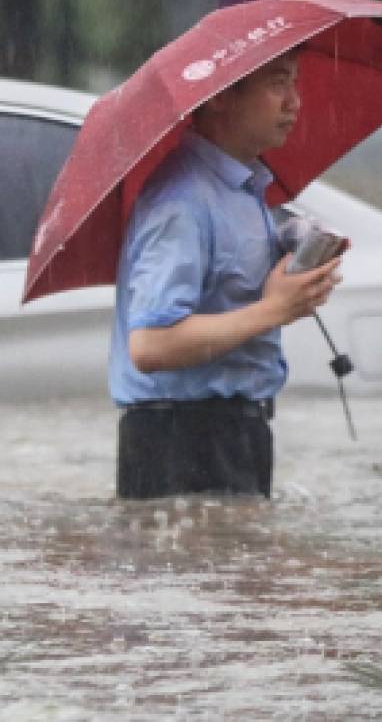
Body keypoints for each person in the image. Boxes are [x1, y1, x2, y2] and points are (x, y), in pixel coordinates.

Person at [109, 49, 341, 499]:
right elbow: (150, 345)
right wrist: (274, 310)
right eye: (277, 83)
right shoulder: (181, 201)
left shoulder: (246, 189)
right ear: (220, 97)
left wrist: (296, 272)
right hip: (180, 436)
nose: (294, 102)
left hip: (236, 428)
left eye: (294, 83)